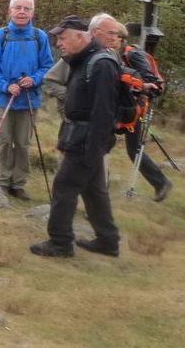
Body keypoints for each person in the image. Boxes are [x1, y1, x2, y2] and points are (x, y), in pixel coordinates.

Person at [31, 16, 120, 258]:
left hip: (86, 139)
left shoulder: (100, 64)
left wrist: (94, 149)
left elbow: (104, 111)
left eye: (62, 38)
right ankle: (108, 241)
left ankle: (60, 243)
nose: (59, 43)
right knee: (94, 190)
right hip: (79, 134)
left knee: (64, 187)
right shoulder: (85, 59)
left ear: (81, 36)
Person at [89, 13, 173, 202]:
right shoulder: (115, 55)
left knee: (132, 149)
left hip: (136, 108)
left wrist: (137, 89)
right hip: (125, 107)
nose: (112, 39)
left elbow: (150, 81)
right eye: (110, 35)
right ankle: (158, 183)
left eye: (115, 36)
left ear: (121, 38)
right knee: (122, 147)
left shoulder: (133, 54)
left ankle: (160, 183)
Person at [0, 0, 54, 200]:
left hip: (29, 100)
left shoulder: (39, 37)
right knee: (4, 141)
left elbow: (47, 66)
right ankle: (3, 182)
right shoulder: (0, 35)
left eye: (27, 8)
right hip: (3, 99)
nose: (22, 12)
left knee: (23, 143)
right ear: (10, 11)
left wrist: (34, 79)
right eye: (18, 8)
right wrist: (6, 86)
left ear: (33, 12)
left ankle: (19, 183)